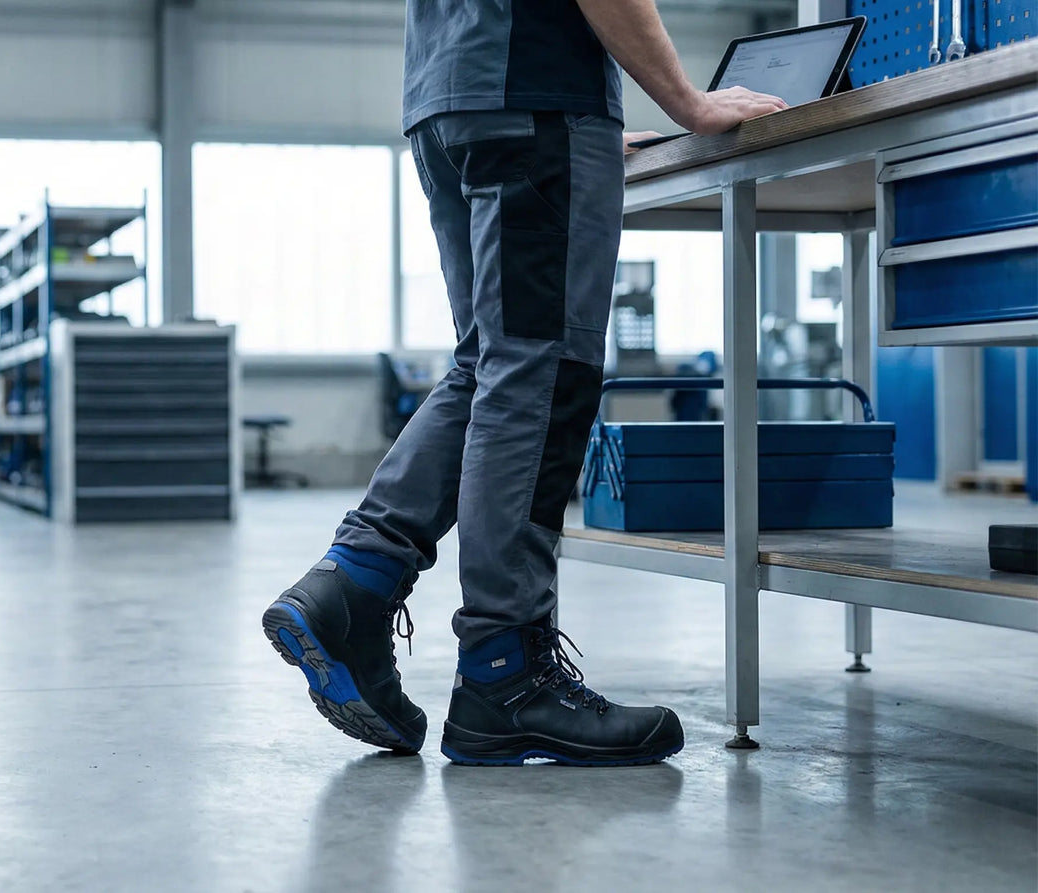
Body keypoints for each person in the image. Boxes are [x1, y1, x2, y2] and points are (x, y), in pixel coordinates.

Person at [262, 0, 785, 765]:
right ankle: (504, 674)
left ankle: (356, 581)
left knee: (489, 365)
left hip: (450, 98)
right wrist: (687, 103)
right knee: (540, 372)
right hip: (532, 93)